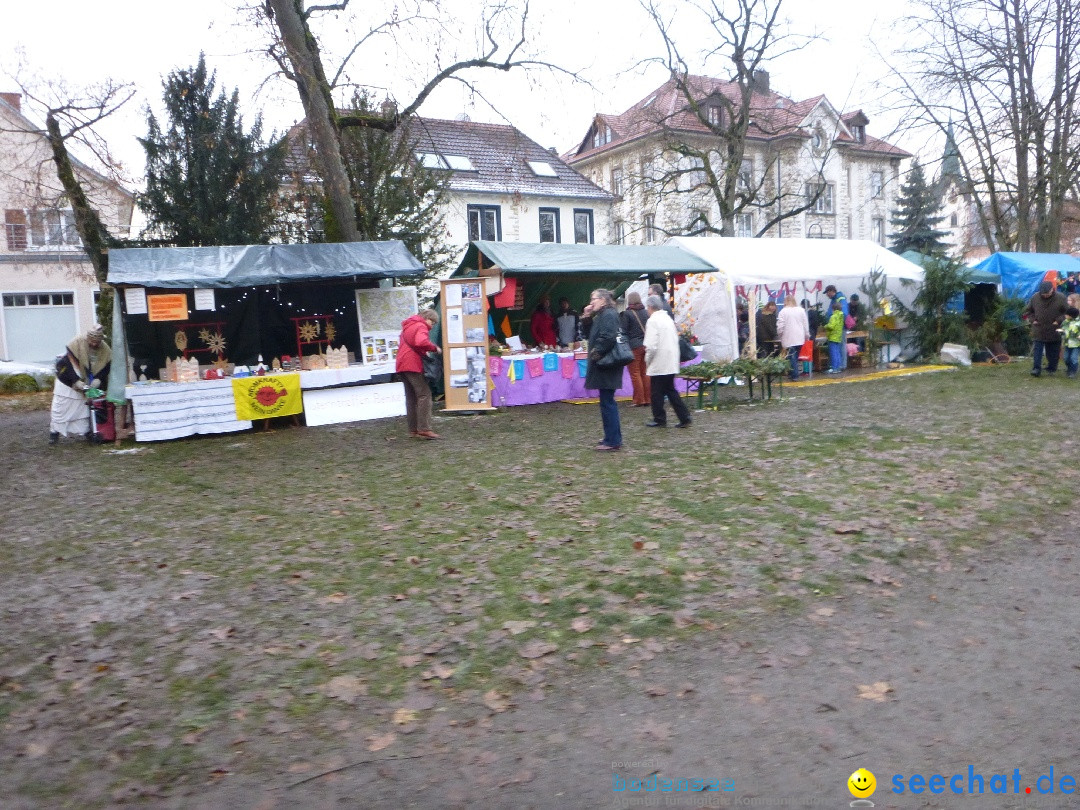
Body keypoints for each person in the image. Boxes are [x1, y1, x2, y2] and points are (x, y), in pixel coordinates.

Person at [50, 324, 111, 444]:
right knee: (60, 409)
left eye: (97, 342)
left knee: (82, 411)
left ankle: (86, 431)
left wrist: (99, 379)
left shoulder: (105, 350)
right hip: (67, 383)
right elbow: (66, 365)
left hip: (85, 384)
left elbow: (106, 367)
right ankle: (54, 432)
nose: (94, 344)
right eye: (92, 341)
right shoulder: (76, 344)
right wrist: (75, 381)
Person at [643, 294, 692, 428]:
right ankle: (684, 416)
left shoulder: (653, 321)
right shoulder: (668, 319)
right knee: (670, 390)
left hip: (660, 361)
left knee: (656, 392)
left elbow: (651, 345)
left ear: (650, 307)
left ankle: (659, 418)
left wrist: (647, 360)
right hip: (670, 360)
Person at [583, 288, 623, 451]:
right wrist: (586, 316)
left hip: (607, 364)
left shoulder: (609, 315)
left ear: (604, 300)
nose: (592, 302)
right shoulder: (602, 315)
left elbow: (608, 338)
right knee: (606, 402)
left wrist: (595, 353)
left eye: (594, 299)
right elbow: (589, 335)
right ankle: (611, 437)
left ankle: (613, 440)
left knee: (608, 403)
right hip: (604, 364)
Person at [396, 308, 442, 438]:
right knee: (424, 394)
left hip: (401, 364)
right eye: (432, 323)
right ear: (427, 318)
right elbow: (420, 341)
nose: (432, 327)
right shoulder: (421, 326)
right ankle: (424, 428)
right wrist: (434, 348)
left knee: (411, 397)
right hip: (412, 364)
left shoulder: (407, 326)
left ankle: (413, 429)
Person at [1023, 280, 1067, 377]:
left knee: (1053, 351)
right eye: (1043, 294)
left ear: (1052, 289)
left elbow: (1067, 313)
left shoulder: (1061, 298)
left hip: (1054, 329)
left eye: (1047, 293)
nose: (1045, 295)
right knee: (1037, 350)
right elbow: (1028, 311)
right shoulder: (1035, 297)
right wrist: (1032, 319)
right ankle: (1036, 369)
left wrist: (1059, 320)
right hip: (1039, 328)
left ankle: (1052, 367)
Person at [620, 291, 651, 407]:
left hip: (633, 346)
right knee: (645, 372)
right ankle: (648, 398)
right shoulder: (646, 312)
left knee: (635, 373)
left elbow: (623, 331)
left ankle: (639, 400)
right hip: (646, 345)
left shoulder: (627, 314)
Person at [776, 296, 811, 381]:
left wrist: (780, 334)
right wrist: (807, 335)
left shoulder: (783, 312)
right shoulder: (801, 310)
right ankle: (793, 374)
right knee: (795, 356)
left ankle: (794, 375)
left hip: (788, 337)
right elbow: (805, 324)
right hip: (800, 337)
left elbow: (780, 326)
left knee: (791, 357)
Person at [824, 285, 849, 369]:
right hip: (836, 328)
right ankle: (837, 365)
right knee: (837, 347)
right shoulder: (835, 299)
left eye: (827, 293)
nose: (827, 295)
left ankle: (842, 365)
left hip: (838, 328)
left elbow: (843, 313)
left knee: (841, 346)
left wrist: (835, 325)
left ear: (831, 291)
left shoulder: (840, 298)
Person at [1059, 306, 1080, 379]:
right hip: (1067, 343)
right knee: (1066, 358)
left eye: (1067, 315)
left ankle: (1073, 371)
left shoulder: (1078, 323)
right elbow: (1062, 329)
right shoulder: (1065, 322)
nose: (1065, 316)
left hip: (1076, 344)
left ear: (1071, 315)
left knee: (1073, 358)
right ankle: (1069, 368)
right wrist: (1061, 332)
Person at [825, 304, 844, 373]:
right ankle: (838, 367)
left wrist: (826, 326)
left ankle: (834, 368)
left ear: (834, 309)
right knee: (837, 352)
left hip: (832, 336)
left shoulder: (833, 316)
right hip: (838, 336)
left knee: (833, 353)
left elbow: (831, 326)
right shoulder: (841, 316)